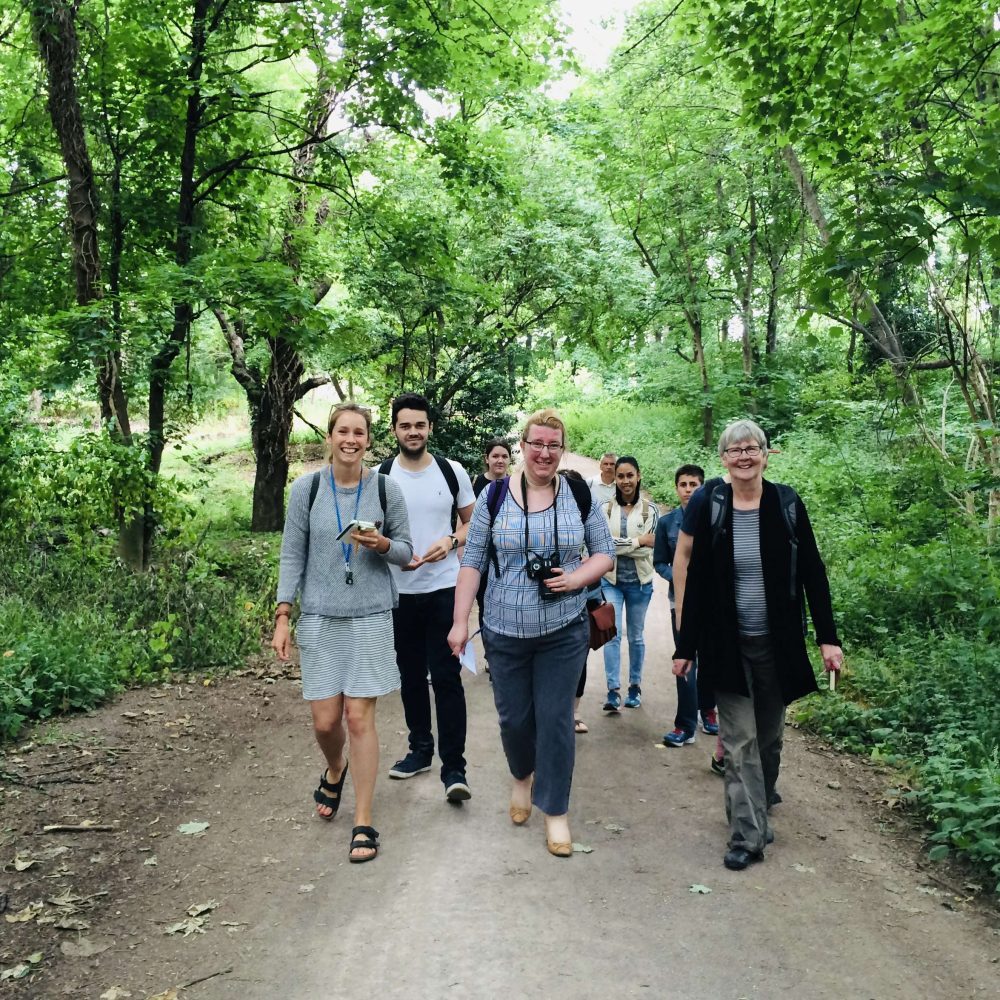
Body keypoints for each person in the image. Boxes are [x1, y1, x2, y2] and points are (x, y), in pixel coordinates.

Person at [673, 419, 843, 871]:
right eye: (735, 450)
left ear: (766, 454)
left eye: (752, 448)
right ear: (724, 459)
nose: (744, 457)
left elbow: (813, 572)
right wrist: (684, 647)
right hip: (726, 644)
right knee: (740, 740)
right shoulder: (713, 503)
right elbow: (700, 582)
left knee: (769, 739)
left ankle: (757, 806)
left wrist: (828, 639)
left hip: (777, 645)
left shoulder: (786, 503)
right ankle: (747, 835)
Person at [448, 409, 614, 857]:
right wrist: (460, 621)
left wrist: (577, 579)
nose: (544, 453)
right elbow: (472, 562)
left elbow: (604, 554)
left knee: (557, 720)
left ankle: (555, 811)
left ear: (562, 450)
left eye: (553, 445)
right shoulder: (495, 496)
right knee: (515, 720)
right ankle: (522, 776)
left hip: (563, 630)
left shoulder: (577, 494)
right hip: (503, 630)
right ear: (523, 445)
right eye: (537, 443)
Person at [273, 403, 413, 864]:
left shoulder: (386, 488)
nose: (350, 440)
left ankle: (364, 820)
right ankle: (335, 767)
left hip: (371, 616)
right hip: (319, 617)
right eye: (342, 431)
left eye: (359, 433)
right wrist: (282, 613)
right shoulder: (307, 489)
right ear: (330, 437)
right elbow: (292, 554)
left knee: (359, 719)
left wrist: (383, 544)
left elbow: (407, 552)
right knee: (325, 722)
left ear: (369, 440)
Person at [382, 393, 476, 803]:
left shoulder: (451, 471)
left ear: (430, 428)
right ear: (394, 430)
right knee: (410, 676)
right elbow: (368, 531)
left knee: (446, 677)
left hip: (444, 588)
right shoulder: (380, 477)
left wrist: (452, 539)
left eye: (419, 424)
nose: (413, 432)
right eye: (405, 425)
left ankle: (454, 768)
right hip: (398, 593)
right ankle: (420, 749)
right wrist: (388, 549)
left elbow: (476, 524)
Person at [654, 464, 720, 745]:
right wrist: (680, 577)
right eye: (684, 484)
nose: (689, 490)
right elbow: (659, 562)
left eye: (694, 484)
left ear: (703, 488)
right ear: (676, 488)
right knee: (684, 659)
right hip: (679, 602)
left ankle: (709, 711)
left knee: (712, 659)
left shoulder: (718, 517)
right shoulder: (667, 523)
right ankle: (685, 725)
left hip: (714, 602)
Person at [599, 456, 658, 712]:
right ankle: (613, 691)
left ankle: (635, 685)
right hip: (611, 581)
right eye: (621, 476)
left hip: (640, 584)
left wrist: (624, 546)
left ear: (638, 476)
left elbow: (648, 550)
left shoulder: (650, 510)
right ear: (615, 478)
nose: (625, 481)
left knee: (636, 637)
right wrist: (637, 541)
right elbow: (603, 545)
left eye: (629, 475)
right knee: (613, 635)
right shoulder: (604, 509)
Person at [561, 469, 596, 734]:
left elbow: (604, 552)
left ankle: (572, 712)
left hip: (581, 597)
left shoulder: (585, 512)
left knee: (578, 657)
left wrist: (582, 570)